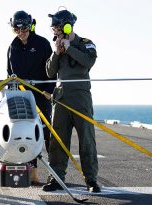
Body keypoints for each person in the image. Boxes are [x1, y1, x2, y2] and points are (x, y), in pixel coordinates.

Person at [42, 9, 101, 193]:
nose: (56, 32)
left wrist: (70, 48)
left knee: (87, 140)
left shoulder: (85, 44)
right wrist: (56, 53)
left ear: (67, 26)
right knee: (57, 140)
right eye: (54, 29)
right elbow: (50, 73)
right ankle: (56, 177)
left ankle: (91, 180)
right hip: (60, 100)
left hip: (80, 99)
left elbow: (88, 62)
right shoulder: (57, 47)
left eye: (58, 28)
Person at [7, 10, 54, 185]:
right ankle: (31, 172)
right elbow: (9, 73)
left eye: (24, 28)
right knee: (26, 133)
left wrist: (50, 90)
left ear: (30, 25)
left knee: (46, 132)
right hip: (22, 97)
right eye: (16, 29)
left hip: (42, 95)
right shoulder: (12, 46)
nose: (21, 32)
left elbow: (52, 71)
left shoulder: (42, 44)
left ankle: (54, 172)